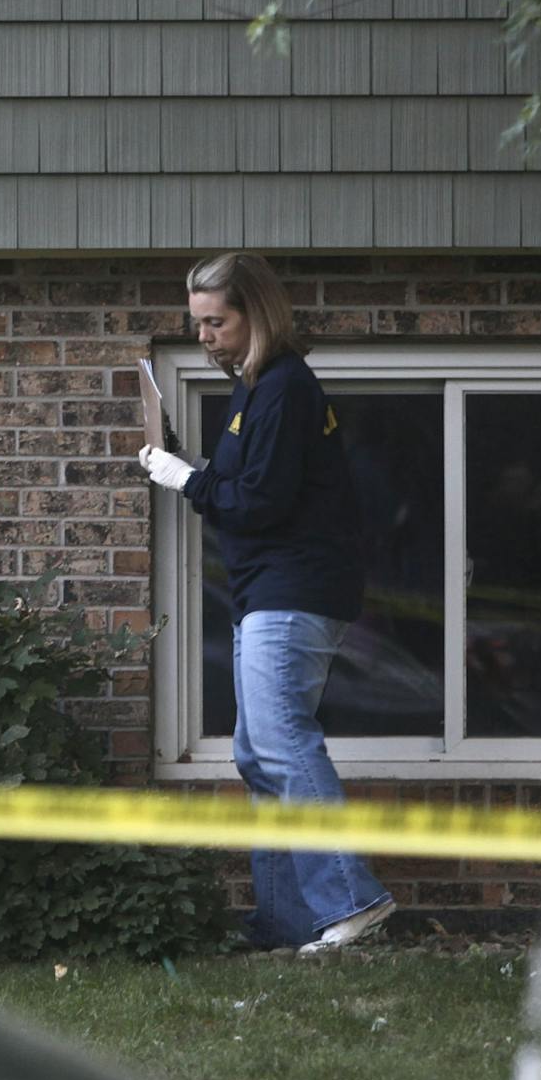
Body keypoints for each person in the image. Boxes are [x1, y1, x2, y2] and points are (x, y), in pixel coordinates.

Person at [137, 252, 395, 955]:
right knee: (259, 750)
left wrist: (185, 481)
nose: (205, 337)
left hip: (295, 588)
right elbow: (236, 484)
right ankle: (289, 919)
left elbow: (256, 503)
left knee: (281, 739)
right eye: (197, 324)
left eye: (216, 322)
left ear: (257, 312)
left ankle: (351, 897)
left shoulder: (284, 388)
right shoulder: (254, 391)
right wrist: (191, 468)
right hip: (267, 591)